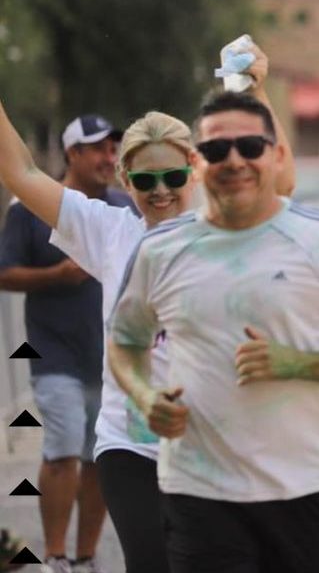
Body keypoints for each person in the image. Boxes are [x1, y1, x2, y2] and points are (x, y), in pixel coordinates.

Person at [0, 43, 288, 573]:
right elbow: (20, 172)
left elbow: (275, 174)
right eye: (146, 180)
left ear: (195, 172)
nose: (161, 191)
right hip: (129, 442)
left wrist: (255, 89)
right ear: (125, 181)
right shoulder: (107, 230)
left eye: (174, 177)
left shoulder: (229, 226)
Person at [108, 91, 319, 573]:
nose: (235, 160)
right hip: (197, 490)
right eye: (218, 150)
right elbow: (125, 342)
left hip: (303, 487)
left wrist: (295, 362)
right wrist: (143, 395)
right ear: (199, 163)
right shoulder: (160, 250)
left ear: (278, 154)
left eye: (251, 146)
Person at [0, 112, 135, 573]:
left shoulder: (125, 209)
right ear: (73, 153)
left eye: (113, 149)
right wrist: (57, 275)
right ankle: (54, 556)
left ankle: (85, 557)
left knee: (98, 459)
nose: (109, 158)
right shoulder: (31, 210)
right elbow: (4, 273)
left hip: (107, 360)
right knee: (62, 450)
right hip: (53, 355)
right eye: (98, 148)